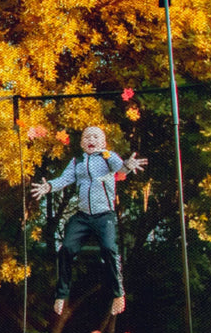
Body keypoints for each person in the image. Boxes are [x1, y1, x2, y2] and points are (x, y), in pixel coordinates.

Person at [31, 126, 147, 316]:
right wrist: (48, 187)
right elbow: (64, 179)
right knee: (66, 249)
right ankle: (61, 295)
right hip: (83, 216)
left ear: (103, 142)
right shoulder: (77, 161)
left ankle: (118, 294)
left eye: (95, 137)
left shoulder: (108, 157)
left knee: (109, 250)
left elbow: (121, 167)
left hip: (104, 215)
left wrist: (128, 165)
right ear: (82, 143)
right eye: (87, 137)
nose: (91, 140)